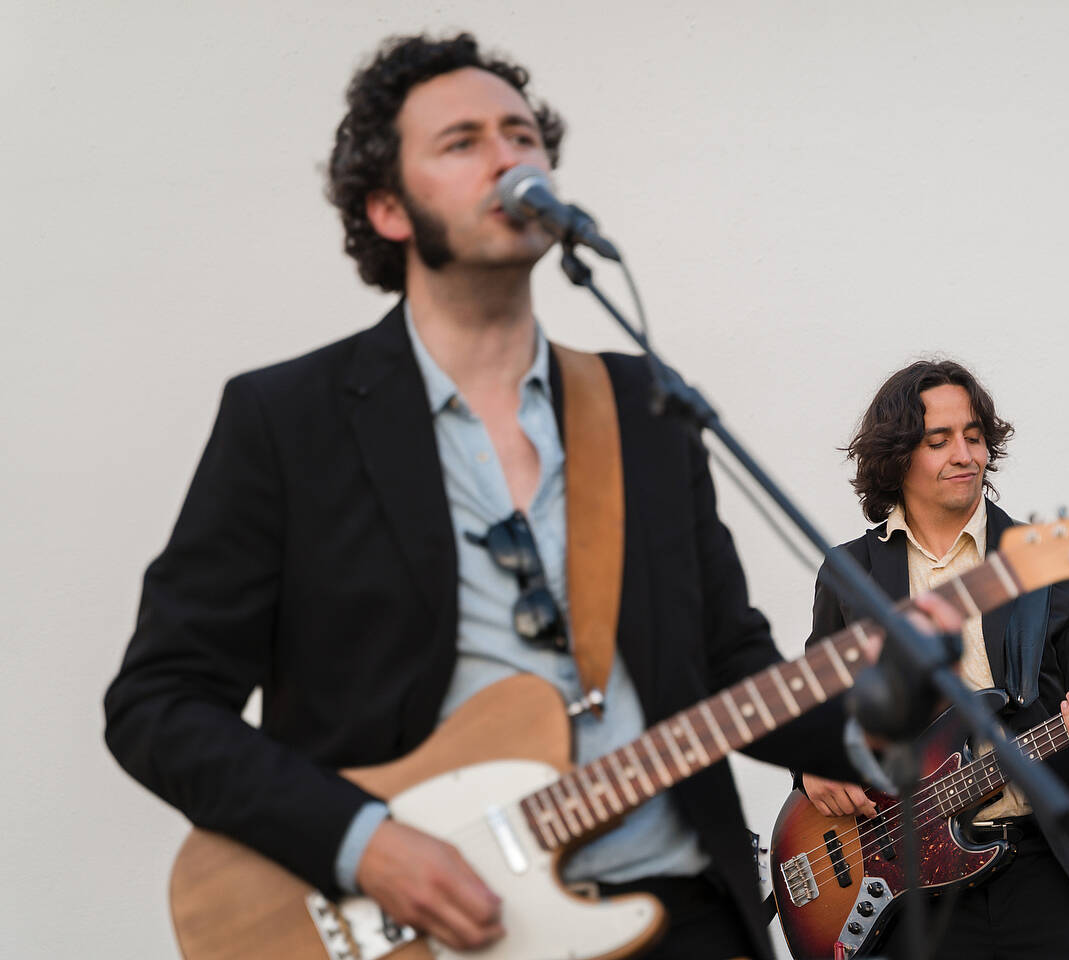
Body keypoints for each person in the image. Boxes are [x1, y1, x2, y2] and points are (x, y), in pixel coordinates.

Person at [103, 33, 861, 960]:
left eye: (521, 135)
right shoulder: (286, 421)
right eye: (462, 142)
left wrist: (897, 712)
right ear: (387, 207)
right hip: (427, 930)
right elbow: (160, 702)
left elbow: (730, 664)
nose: (508, 159)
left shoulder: (644, 408)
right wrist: (364, 844)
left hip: (676, 914)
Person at [798, 359, 1069, 959]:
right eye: (939, 441)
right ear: (897, 458)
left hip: (1042, 870)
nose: (966, 454)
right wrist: (812, 765)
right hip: (906, 891)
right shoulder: (849, 576)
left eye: (975, 436)